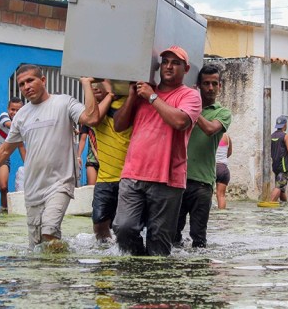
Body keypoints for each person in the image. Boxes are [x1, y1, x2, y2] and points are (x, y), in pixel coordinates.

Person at [0, 64, 100, 250]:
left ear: (43, 80)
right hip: (33, 189)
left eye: (30, 80)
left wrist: (86, 85)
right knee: (37, 246)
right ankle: (53, 273)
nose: (26, 87)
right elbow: (5, 150)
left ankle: (60, 273)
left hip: (60, 183)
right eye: (22, 84)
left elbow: (92, 119)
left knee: (49, 231)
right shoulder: (21, 115)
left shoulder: (64, 103)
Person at [112, 45, 202, 256]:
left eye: (176, 63)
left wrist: (152, 97)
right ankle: (136, 271)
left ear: (186, 69)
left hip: (168, 179)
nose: (169, 67)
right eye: (165, 62)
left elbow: (180, 121)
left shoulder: (190, 96)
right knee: (123, 228)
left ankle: (152, 283)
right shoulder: (143, 91)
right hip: (133, 173)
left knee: (159, 245)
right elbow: (118, 125)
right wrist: (134, 97)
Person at [174, 64, 231, 248]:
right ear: (199, 85)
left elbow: (210, 129)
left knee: (199, 239)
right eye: (206, 83)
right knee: (172, 236)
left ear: (220, 86)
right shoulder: (182, 108)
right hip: (177, 181)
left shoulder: (223, 113)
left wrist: (192, 108)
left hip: (203, 184)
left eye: (215, 83)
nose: (211, 88)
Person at [89, 80, 133, 243]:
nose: (96, 86)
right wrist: (108, 94)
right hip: (105, 178)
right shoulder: (93, 109)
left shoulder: (127, 101)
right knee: (99, 223)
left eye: (101, 81)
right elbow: (93, 119)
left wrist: (114, 93)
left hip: (128, 177)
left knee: (126, 226)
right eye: (93, 83)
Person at [215, 133, 232, 209]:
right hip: (223, 168)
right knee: (221, 195)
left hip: (212, 167)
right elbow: (229, 152)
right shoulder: (227, 137)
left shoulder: (211, 135)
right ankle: (222, 216)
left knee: (206, 193)